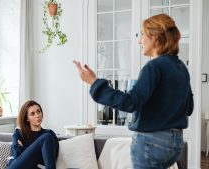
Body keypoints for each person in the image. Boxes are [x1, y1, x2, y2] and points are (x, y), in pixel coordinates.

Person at [73, 14, 194, 169]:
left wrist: (94, 83)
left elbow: (130, 103)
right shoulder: (181, 68)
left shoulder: (153, 67)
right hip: (175, 143)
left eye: (142, 34)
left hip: (152, 143)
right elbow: (189, 107)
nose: (139, 40)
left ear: (155, 38)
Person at [6, 100, 59, 169]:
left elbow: (51, 158)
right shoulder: (19, 133)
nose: (37, 115)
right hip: (15, 167)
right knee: (46, 137)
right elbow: (16, 154)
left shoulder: (50, 133)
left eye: (38, 111)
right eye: (32, 114)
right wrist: (41, 150)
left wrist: (24, 149)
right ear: (27, 118)